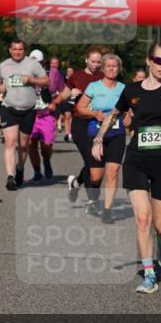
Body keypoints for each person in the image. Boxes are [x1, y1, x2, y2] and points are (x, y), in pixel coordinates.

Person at [92, 43, 161, 294]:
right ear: (148, 61)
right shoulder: (131, 90)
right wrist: (99, 138)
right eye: (158, 60)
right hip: (137, 160)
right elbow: (113, 115)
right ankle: (149, 275)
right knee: (142, 219)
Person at [77, 53, 126, 223]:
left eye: (115, 66)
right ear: (103, 69)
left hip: (117, 135)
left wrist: (130, 116)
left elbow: (133, 109)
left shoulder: (123, 88)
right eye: (109, 66)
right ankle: (93, 195)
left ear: (119, 69)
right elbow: (80, 107)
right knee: (96, 177)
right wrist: (94, 113)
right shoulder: (94, 87)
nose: (112, 69)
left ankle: (107, 210)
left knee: (113, 172)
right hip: (96, 135)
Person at [0, 39, 49, 190]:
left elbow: (46, 81)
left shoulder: (32, 64)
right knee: (11, 142)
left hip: (28, 110)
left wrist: (31, 79)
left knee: (24, 146)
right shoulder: (4, 65)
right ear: (10, 50)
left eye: (20, 49)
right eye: (15, 49)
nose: (17, 52)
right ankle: (10, 176)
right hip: (9, 107)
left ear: (24, 50)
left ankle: (20, 168)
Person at [58, 46, 106, 202]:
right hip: (80, 123)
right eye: (93, 61)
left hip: (98, 123)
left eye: (99, 62)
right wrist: (70, 94)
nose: (96, 65)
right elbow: (63, 96)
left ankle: (76, 182)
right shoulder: (76, 76)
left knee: (97, 160)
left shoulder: (104, 76)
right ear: (86, 60)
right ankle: (93, 198)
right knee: (91, 160)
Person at [27, 49, 64, 182]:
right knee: (31, 144)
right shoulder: (24, 73)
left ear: (43, 62)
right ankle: (37, 172)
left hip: (47, 115)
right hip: (30, 114)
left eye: (38, 62)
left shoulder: (54, 73)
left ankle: (46, 160)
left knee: (46, 147)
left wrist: (56, 102)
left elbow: (64, 91)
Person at [60, 65, 76, 140]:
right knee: (67, 116)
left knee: (74, 118)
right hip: (66, 101)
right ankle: (67, 133)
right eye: (68, 71)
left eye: (71, 71)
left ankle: (72, 132)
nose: (69, 73)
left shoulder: (77, 79)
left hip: (75, 101)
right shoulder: (63, 79)